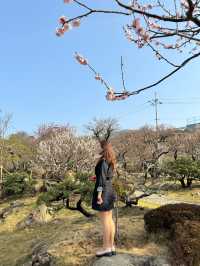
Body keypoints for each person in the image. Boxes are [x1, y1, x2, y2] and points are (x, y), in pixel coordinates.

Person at [91, 140, 117, 257]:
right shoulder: (110, 159)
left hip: (104, 193)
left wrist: (99, 195)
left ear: (102, 148)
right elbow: (106, 177)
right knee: (110, 220)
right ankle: (111, 246)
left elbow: (101, 180)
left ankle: (106, 248)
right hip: (110, 190)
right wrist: (96, 177)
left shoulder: (102, 161)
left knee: (105, 221)